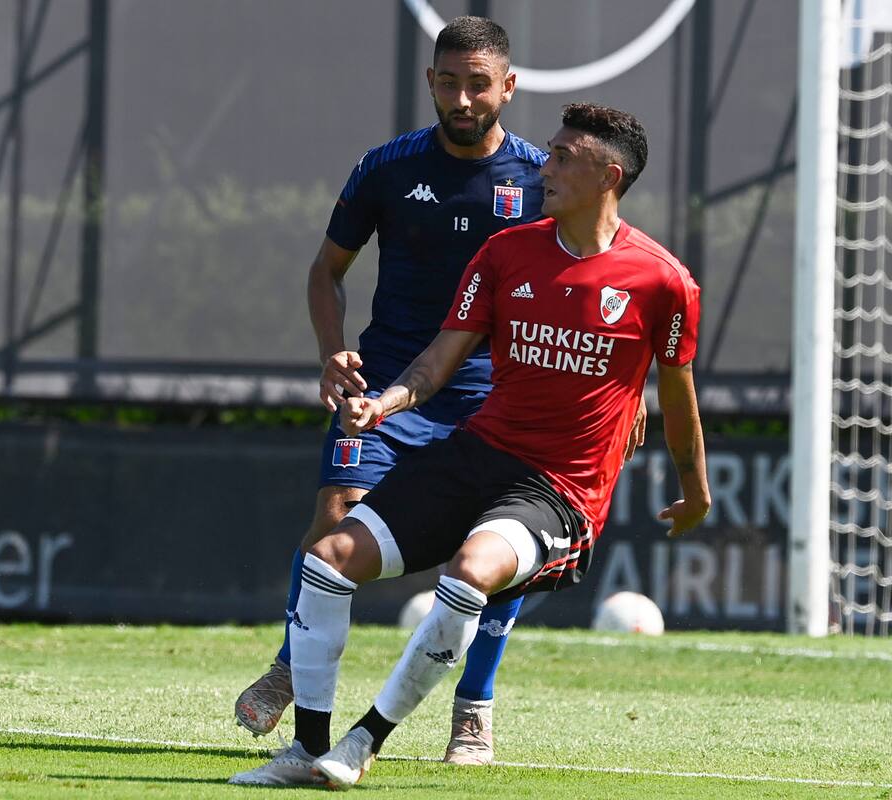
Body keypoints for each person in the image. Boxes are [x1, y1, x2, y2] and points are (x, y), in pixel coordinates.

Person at [231, 102, 711, 789]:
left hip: (559, 489)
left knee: (470, 571)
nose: (545, 166)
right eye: (548, 151)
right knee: (329, 557)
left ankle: (366, 741)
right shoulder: (506, 252)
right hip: (477, 454)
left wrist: (695, 492)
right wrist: (384, 402)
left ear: (609, 176)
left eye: (563, 157)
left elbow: (679, 401)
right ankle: (308, 750)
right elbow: (435, 363)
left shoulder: (663, 281)